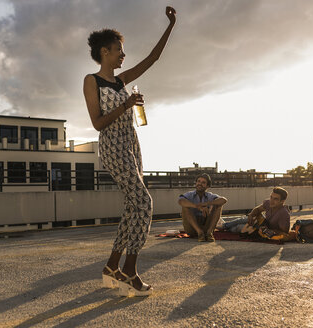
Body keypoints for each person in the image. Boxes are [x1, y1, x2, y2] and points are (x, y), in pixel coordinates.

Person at [83, 6, 176, 297]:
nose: (123, 55)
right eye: (119, 50)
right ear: (104, 51)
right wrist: (126, 104)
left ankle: (112, 266)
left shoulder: (121, 82)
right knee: (145, 204)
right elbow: (97, 123)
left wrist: (171, 25)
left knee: (132, 207)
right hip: (113, 148)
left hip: (131, 146)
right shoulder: (92, 81)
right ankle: (130, 271)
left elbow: (153, 58)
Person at [178, 173, 228, 242]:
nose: (200, 184)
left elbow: (224, 200)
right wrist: (197, 206)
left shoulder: (210, 196)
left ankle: (209, 233)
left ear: (207, 186)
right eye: (198, 181)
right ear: (196, 183)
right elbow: (180, 201)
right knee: (185, 207)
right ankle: (200, 233)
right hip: (192, 228)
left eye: (203, 182)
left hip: (206, 226)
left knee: (218, 205)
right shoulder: (189, 194)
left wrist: (207, 204)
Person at [223, 187, 291, 236]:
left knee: (238, 227)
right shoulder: (268, 202)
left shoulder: (284, 213)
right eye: (271, 197)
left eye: (275, 199)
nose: (271, 201)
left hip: (262, 231)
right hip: (261, 223)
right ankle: (224, 225)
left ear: (282, 201)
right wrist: (251, 215)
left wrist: (267, 230)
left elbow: (285, 232)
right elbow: (258, 209)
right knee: (244, 219)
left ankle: (226, 228)